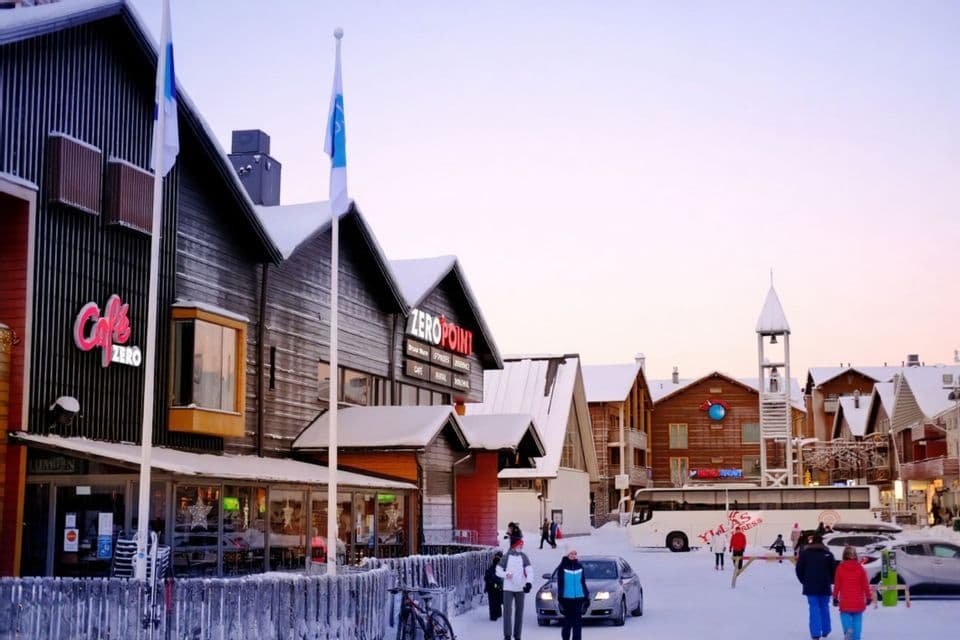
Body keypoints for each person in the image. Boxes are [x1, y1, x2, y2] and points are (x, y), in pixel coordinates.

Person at [795, 533, 836, 640]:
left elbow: (799, 570)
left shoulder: (805, 554)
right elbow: (833, 570)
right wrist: (830, 580)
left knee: (814, 608)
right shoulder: (828, 554)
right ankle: (826, 629)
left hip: (810, 585)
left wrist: (804, 581)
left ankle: (815, 633)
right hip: (825, 585)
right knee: (824, 606)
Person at [496, 532, 532, 640]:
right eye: (519, 545)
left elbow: (529, 571)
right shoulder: (506, 557)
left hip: (520, 588)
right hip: (508, 588)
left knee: (519, 612)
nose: (521, 546)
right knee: (507, 612)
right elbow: (498, 570)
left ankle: (517, 635)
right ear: (514, 545)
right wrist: (506, 575)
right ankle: (507, 635)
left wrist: (528, 583)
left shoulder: (524, 557)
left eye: (522, 545)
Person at [832, 545, 872, 640]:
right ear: (855, 556)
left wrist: (834, 597)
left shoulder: (840, 568)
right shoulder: (860, 569)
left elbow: (837, 584)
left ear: (843, 556)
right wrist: (869, 597)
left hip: (845, 599)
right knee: (857, 619)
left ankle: (848, 630)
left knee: (844, 615)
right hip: (858, 600)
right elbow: (865, 585)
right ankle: (856, 637)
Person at [555, 545, 590, 640]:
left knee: (577, 622)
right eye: (571, 553)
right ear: (567, 554)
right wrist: (560, 596)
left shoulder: (580, 566)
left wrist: (586, 595)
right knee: (568, 621)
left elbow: (582, 582)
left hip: (579, 598)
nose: (573, 555)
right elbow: (560, 583)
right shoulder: (563, 567)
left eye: (575, 553)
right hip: (567, 598)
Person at [484, 551, 504, 621]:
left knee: (495, 601)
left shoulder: (493, 568)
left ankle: (496, 613)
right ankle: (494, 615)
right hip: (494, 587)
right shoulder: (494, 568)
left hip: (495, 587)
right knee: (495, 601)